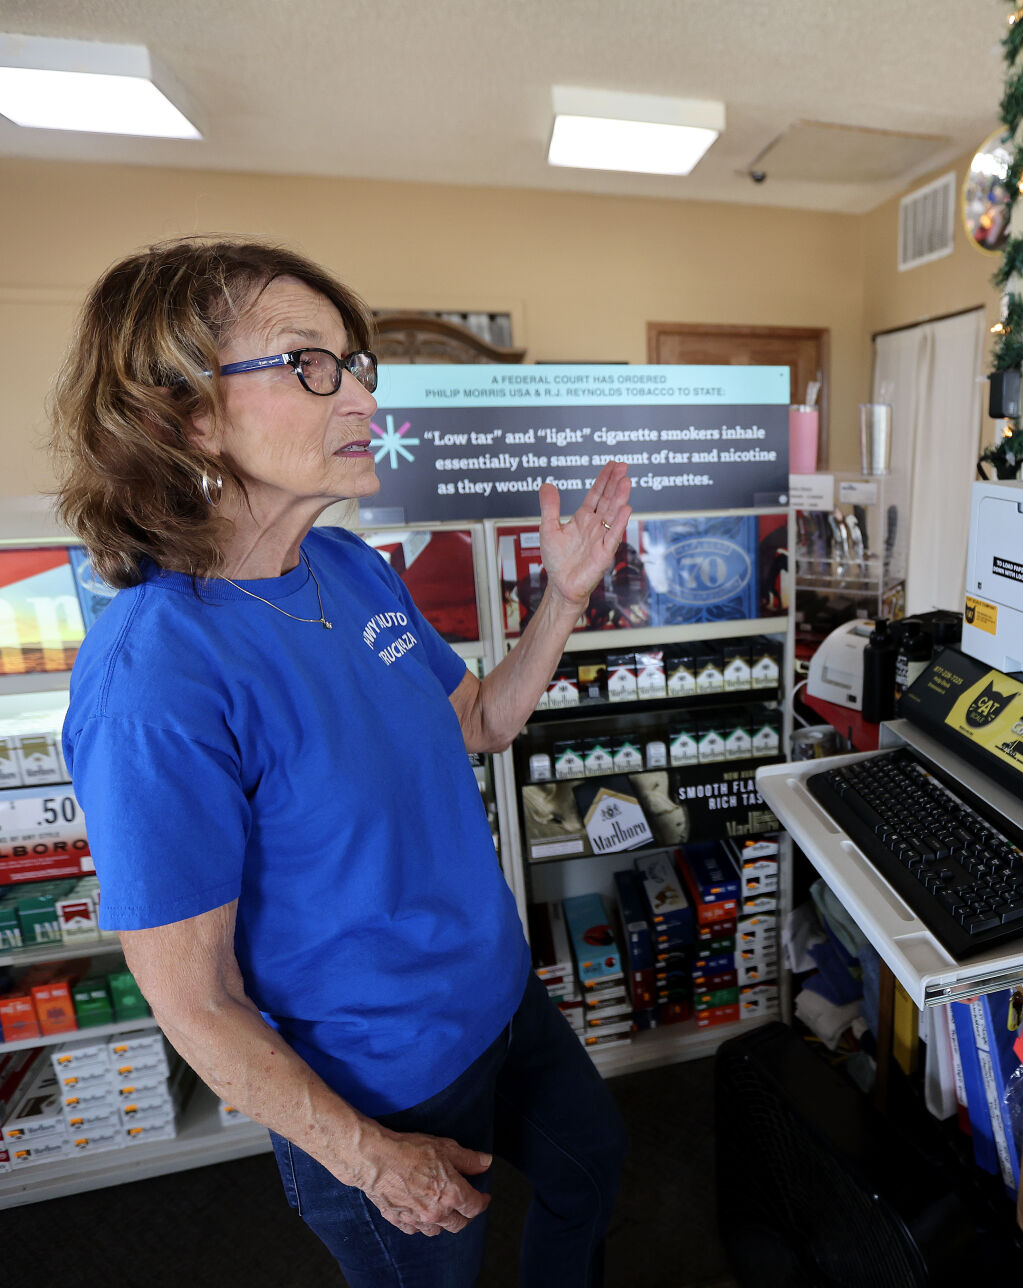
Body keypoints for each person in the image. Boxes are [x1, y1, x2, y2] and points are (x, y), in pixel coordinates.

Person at [52, 238, 630, 1287]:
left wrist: (567, 596)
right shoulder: (154, 676)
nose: (361, 390)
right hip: (380, 1087)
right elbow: (195, 1002)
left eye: (356, 361)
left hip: (502, 1003)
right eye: (309, 362)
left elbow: (482, 720)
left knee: (594, 1166)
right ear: (180, 413)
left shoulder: (349, 566)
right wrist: (371, 1160)